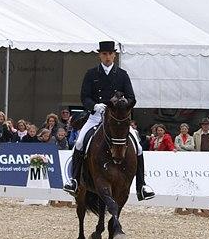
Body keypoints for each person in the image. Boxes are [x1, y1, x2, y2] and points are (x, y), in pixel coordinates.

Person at [63, 41, 154, 199]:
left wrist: (120, 105)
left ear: (114, 55)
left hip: (117, 117)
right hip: (96, 115)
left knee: (138, 147)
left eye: (110, 54)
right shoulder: (91, 74)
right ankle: (74, 180)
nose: (107, 57)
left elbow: (132, 98)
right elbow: (84, 97)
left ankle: (142, 186)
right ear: (100, 55)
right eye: (104, 54)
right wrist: (94, 106)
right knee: (79, 143)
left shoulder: (122, 74)